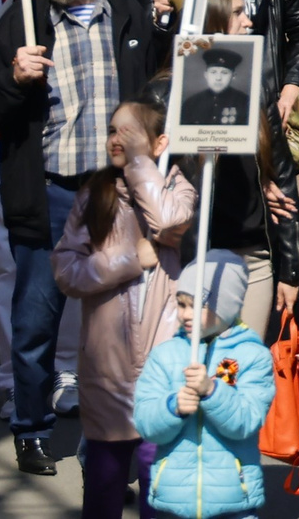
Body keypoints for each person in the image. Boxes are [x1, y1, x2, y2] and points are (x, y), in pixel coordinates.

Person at [0, 0, 167, 476]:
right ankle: (30, 428)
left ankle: (111, 436)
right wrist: (13, 77)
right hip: (52, 195)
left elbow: (153, 96)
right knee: (36, 319)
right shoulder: (24, 19)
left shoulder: (127, 15)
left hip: (115, 195)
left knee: (122, 325)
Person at [51, 99, 198, 518]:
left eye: (130, 133)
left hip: (162, 360)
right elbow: (66, 270)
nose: (117, 140)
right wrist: (127, 260)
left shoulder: (177, 189)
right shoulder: (94, 194)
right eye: (113, 131)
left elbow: (167, 223)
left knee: (159, 480)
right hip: (107, 363)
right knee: (105, 478)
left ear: (159, 142)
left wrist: (138, 165)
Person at [133, 250, 275, 516]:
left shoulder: (252, 356)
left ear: (227, 305)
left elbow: (247, 421)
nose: (185, 315)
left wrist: (212, 392)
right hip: (173, 502)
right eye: (182, 304)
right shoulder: (165, 355)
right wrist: (172, 408)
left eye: (197, 305)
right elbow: (146, 424)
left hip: (234, 502)